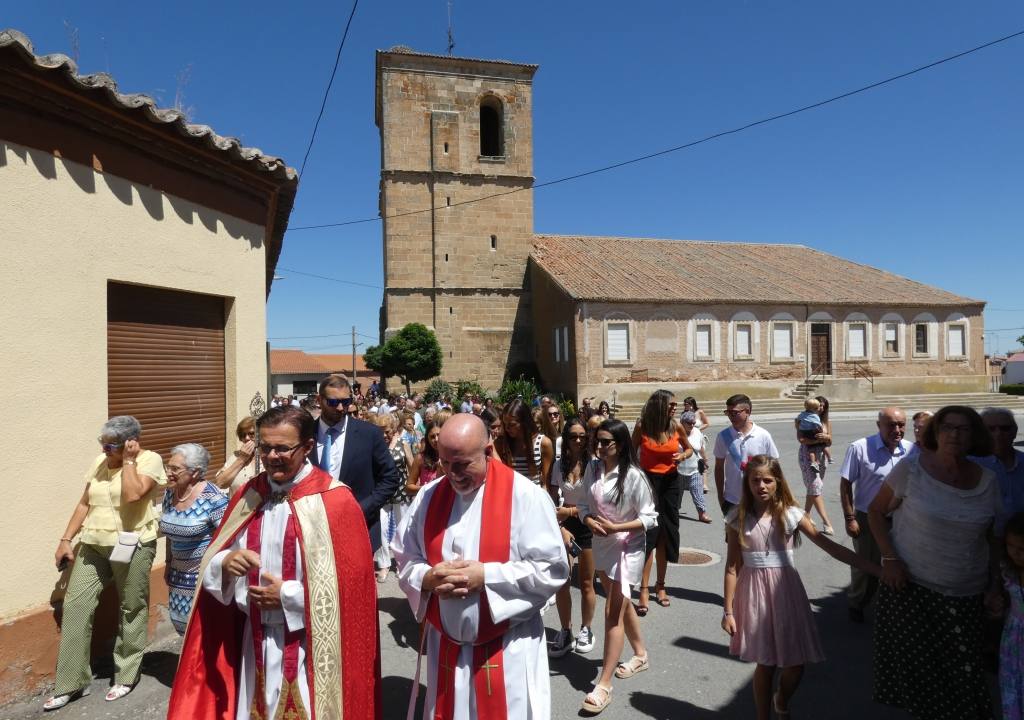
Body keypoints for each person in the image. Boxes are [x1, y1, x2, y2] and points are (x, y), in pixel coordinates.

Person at [167, 405, 380, 719]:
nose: (271, 456)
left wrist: (287, 597)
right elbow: (219, 551)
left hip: (313, 647)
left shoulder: (335, 501)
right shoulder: (250, 494)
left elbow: (353, 594)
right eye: (265, 448)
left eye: (283, 448)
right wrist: (225, 563)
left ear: (308, 447)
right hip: (252, 642)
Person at [391, 414, 568, 720]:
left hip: (507, 650)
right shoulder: (429, 496)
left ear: (488, 450)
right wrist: (427, 577)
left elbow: (551, 569)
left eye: (463, 464)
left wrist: (485, 576)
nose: (453, 474)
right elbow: (405, 554)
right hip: (447, 649)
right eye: (446, 463)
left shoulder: (525, 496)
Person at [722, 455, 880, 720]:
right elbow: (731, 567)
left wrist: (876, 570)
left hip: (786, 591)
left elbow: (831, 547)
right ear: (747, 483)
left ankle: (781, 699)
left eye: (767, 480)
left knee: (795, 662)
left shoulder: (791, 514)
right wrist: (728, 611)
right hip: (754, 594)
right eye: (755, 480)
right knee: (766, 662)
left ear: (778, 482)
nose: (761, 485)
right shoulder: (737, 519)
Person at [868, 405, 1000, 720]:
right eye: (947, 427)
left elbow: (993, 537)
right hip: (913, 591)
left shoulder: (988, 480)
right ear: (935, 433)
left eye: (964, 428)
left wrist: (995, 585)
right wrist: (889, 558)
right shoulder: (910, 470)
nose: (954, 434)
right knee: (924, 688)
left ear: (974, 436)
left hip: (967, 595)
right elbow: (875, 512)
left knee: (965, 681)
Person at [45, 416, 167, 710]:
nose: (104, 449)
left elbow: (134, 494)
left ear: (129, 443)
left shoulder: (149, 460)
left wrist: (128, 461)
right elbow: (84, 502)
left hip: (132, 543)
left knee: (131, 606)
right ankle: (71, 683)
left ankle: (126, 675)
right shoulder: (100, 462)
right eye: (102, 443)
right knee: (76, 606)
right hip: (94, 544)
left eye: (110, 444)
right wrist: (66, 539)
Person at [577, 419, 657, 714]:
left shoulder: (634, 476)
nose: (598, 446)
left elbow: (650, 518)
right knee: (622, 606)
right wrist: (588, 520)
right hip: (603, 545)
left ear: (621, 444)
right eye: (596, 441)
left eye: (605, 442)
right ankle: (640, 654)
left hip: (628, 549)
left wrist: (618, 527)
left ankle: (604, 684)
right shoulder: (592, 469)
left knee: (612, 613)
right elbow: (584, 505)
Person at [838, 407, 912, 623]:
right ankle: (857, 603)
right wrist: (849, 518)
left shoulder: (912, 451)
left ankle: (896, 606)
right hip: (867, 518)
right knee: (866, 565)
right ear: (879, 425)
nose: (897, 430)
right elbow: (845, 485)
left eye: (901, 425)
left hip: (902, 519)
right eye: (891, 425)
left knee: (902, 562)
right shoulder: (860, 448)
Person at [314, 374, 400, 554]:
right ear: (319, 400)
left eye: (345, 402)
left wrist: (362, 508)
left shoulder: (369, 434)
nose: (340, 408)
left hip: (359, 529)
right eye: (333, 402)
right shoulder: (304, 433)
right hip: (313, 530)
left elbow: (390, 477)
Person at [160, 443, 228, 635]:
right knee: (183, 628)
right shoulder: (170, 493)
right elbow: (170, 536)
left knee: (203, 634)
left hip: (203, 581)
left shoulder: (214, 500)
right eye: (168, 466)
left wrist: (217, 576)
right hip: (177, 578)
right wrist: (168, 563)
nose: (168, 472)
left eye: (175, 468)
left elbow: (228, 539)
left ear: (195, 472)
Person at [633, 390, 690, 612]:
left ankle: (661, 586)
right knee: (650, 534)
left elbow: (689, 448)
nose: (675, 407)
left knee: (665, 534)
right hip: (648, 482)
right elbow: (630, 450)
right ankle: (644, 589)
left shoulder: (675, 426)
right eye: (671, 404)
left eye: (676, 404)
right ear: (659, 405)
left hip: (671, 482)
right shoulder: (642, 426)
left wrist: (683, 456)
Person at [548, 418, 598, 657]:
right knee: (562, 580)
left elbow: (598, 503)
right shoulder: (558, 466)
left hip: (588, 524)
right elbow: (550, 499)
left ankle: (586, 629)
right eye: (573, 436)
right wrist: (561, 523)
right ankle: (565, 630)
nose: (578, 440)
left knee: (588, 582)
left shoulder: (595, 465)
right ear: (565, 439)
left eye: (582, 436)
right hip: (565, 527)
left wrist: (569, 511)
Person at [714, 394, 779, 515]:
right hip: (732, 499)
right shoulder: (723, 436)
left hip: (758, 498)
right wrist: (720, 496)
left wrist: (774, 495)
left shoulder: (763, 435)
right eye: (728, 412)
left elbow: (774, 468)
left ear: (748, 411)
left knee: (759, 533)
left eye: (734, 413)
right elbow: (718, 467)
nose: (730, 417)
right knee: (732, 534)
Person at [372, 412, 415, 583]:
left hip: (401, 491)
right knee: (381, 529)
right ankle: (383, 564)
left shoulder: (403, 443)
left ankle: (401, 562)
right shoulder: (375, 446)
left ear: (394, 429)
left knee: (402, 528)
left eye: (387, 431)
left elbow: (412, 466)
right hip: (381, 491)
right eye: (381, 431)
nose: (384, 435)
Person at [979, 407, 1024, 533]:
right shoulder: (970, 464)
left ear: (1015, 432)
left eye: (1005, 428)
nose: (998, 433)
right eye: (991, 429)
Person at [495, 397, 554, 491]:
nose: (507, 428)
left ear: (524, 422)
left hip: (534, 496)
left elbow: (546, 482)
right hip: (511, 495)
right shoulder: (501, 443)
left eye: (512, 424)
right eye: (505, 424)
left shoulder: (543, 443)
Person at [795, 395, 835, 535]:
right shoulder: (802, 419)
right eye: (820, 405)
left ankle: (805, 515)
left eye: (824, 406)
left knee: (813, 488)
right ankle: (827, 522)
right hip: (808, 455)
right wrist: (817, 441)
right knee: (815, 487)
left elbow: (829, 442)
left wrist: (827, 438)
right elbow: (801, 439)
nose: (822, 408)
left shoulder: (826, 422)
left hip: (822, 457)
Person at [999, 512, 1024, 720]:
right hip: (1014, 642)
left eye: (1023, 549)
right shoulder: (1008, 572)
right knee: (1013, 687)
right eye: (1011, 546)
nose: (1016, 553)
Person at [679, 411, 713, 523]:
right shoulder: (675, 433)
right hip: (677, 470)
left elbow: (701, 448)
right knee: (676, 494)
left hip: (694, 469)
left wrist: (705, 459)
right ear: (682, 422)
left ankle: (702, 514)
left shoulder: (697, 432)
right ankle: (673, 511)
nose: (692, 425)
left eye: (693, 422)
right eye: (689, 422)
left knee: (697, 491)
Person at [213, 417, 259, 497]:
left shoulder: (268, 457)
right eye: (243, 435)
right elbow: (219, 483)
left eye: (251, 434)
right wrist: (241, 459)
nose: (247, 438)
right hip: (237, 508)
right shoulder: (236, 456)